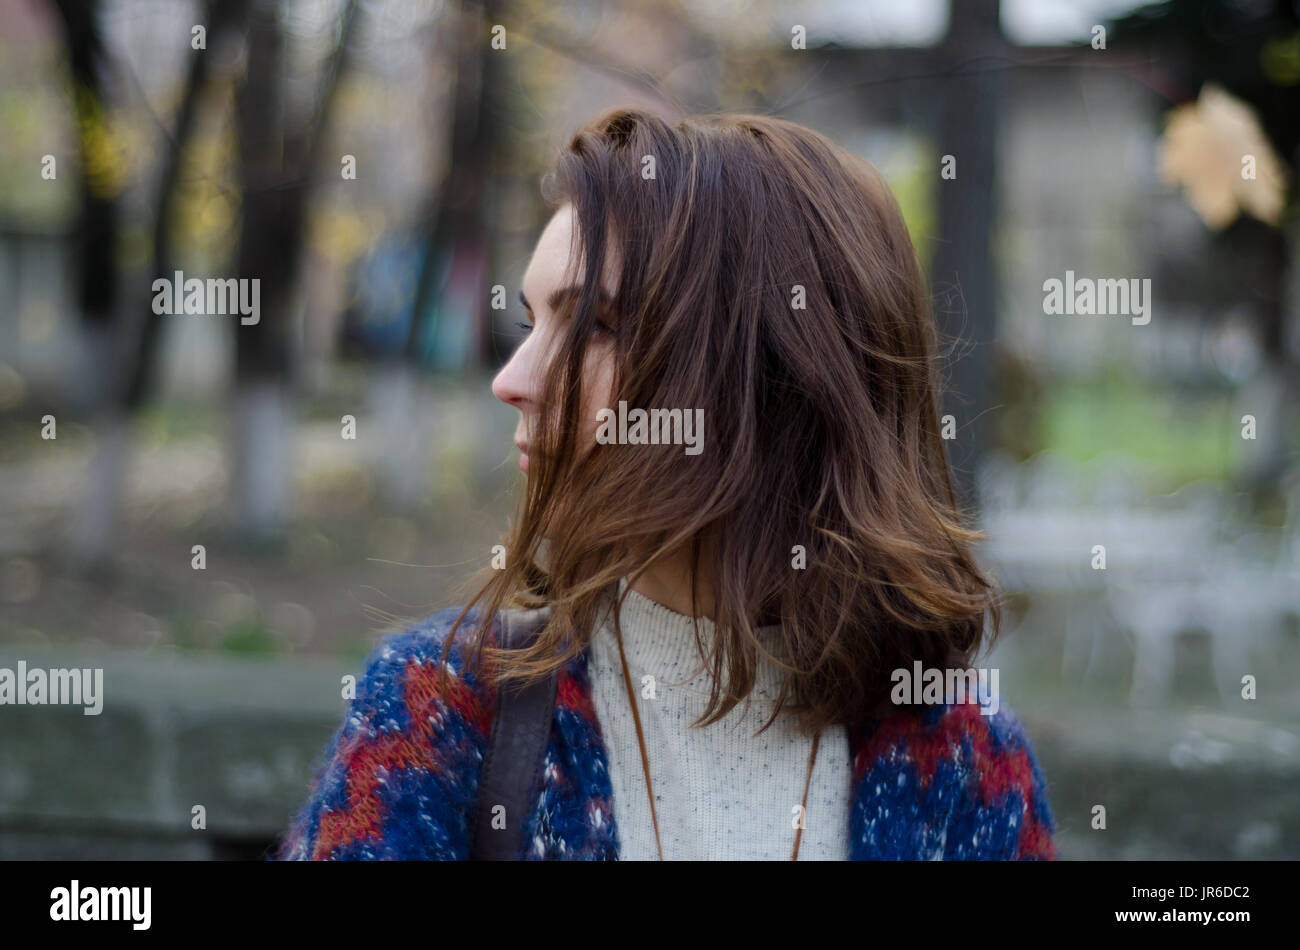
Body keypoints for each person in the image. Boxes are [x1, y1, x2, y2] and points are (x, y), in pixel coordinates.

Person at [275, 106, 1056, 861]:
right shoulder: (437, 715)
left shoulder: (959, 759)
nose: (512, 379)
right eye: (529, 324)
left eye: (595, 328)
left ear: (769, 373)